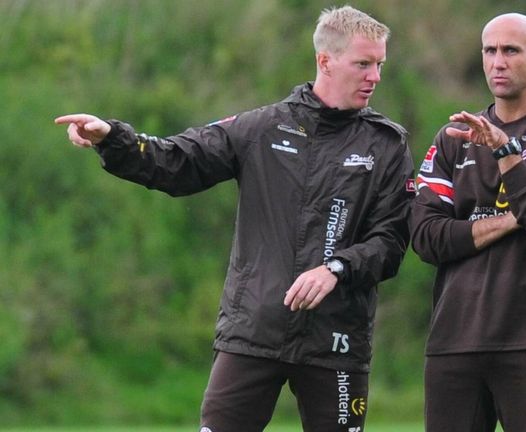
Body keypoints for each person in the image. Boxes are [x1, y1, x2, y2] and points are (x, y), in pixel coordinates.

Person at [55, 6, 414, 432]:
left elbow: (391, 242)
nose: (375, 76)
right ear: (325, 60)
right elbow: (177, 162)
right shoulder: (262, 127)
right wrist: (113, 139)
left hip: (337, 339)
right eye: (363, 64)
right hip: (254, 331)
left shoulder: (387, 145)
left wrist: (337, 269)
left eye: (380, 65)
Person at [410, 12, 526, 432]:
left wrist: (505, 151)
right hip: (455, 338)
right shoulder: (452, 139)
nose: (498, 62)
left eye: (511, 50)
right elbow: (426, 239)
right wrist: (514, 218)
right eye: (490, 51)